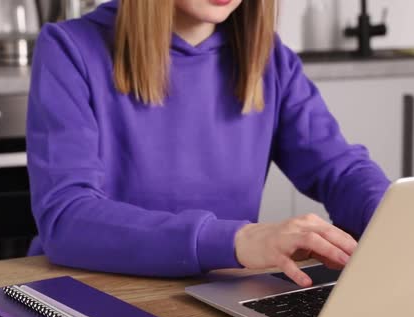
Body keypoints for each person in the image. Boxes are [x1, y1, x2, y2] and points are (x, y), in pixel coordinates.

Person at [26, 0, 390, 288]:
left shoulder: (270, 59)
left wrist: (391, 217)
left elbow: (339, 169)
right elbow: (66, 219)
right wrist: (236, 240)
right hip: (92, 294)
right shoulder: (70, 48)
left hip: (219, 291)